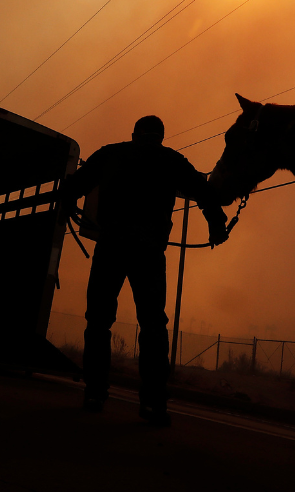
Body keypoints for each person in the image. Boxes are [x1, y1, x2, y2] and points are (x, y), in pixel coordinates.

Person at [59, 115, 229, 425]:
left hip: (110, 246)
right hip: (150, 253)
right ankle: (152, 403)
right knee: (153, 326)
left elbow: (73, 186)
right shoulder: (172, 161)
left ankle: (95, 393)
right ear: (161, 137)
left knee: (98, 321)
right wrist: (217, 226)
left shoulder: (110, 154)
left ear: (134, 134)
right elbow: (204, 194)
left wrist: (66, 207)